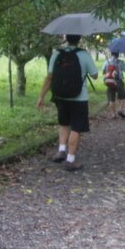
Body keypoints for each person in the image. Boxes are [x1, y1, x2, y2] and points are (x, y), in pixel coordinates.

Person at [37, 34, 98, 172]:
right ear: (79, 39)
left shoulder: (57, 53)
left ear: (67, 39)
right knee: (76, 128)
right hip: (79, 98)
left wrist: (41, 96)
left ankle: (61, 151)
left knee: (64, 123)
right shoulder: (84, 54)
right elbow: (95, 75)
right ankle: (70, 160)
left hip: (60, 96)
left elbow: (49, 76)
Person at [102, 51, 125, 119]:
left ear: (111, 54)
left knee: (111, 98)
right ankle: (119, 109)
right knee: (122, 96)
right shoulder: (120, 62)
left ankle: (113, 114)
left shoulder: (106, 62)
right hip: (119, 81)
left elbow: (103, 72)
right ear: (118, 54)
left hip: (109, 81)